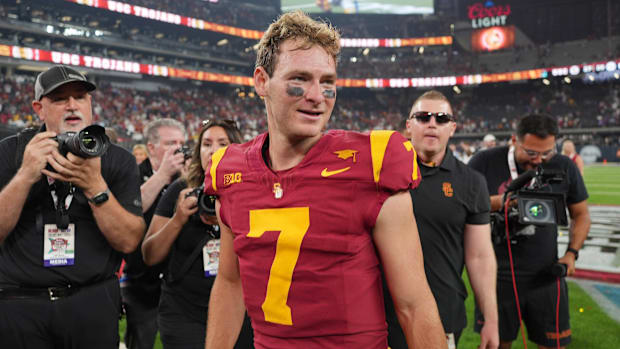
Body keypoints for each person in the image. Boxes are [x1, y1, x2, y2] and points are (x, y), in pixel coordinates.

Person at [204, 11, 446, 349]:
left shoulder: (374, 162)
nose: (317, 95)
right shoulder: (229, 171)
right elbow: (230, 282)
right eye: (300, 79)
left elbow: (414, 304)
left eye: (327, 81)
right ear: (261, 81)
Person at [0, 65, 145, 348]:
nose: (71, 105)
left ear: (90, 104)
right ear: (39, 109)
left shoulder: (118, 160)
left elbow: (129, 241)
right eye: (58, 99)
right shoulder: (10, 152)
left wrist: (95, 187)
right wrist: (26, 175)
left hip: (91, 303)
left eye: (80, 97)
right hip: (21, 304)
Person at [385, 90, 499, 349]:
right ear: (409, 126)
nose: (432, 123)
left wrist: (490, 319)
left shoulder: (471, 182)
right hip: (380, 313)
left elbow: (479, 255)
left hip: (441, 313)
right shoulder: (381, 173)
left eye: (442, 118)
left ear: (453, 128)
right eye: (423, 117)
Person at [468, 113, 591, 349]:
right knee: (496, 344)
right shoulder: (484, 162)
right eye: (531, 153)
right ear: (515, 140)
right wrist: (507, 201)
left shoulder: (564, 166)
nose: (539, 160)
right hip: (497, 274)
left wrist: (572, 253)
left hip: (546, 274)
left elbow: (582, 214)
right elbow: (463, 205)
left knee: (554, 344)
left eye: (547, 153)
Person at [141, 119, 254, 348]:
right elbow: (149, 255)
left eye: (223, 143)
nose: (213, 150)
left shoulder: (252, 190)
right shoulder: (180, 190)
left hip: (238, 310)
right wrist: (178, 218)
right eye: (206, 144)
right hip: (184, 312)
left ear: (237, 148)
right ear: (198, 151)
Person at [122, 118, 187, 349]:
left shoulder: (187, 178)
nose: (178, 148)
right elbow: (127, 210)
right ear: (151, 147)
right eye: (171, 143)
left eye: (181, 142)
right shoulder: (131, 173)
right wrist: (162, 175)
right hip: (142, 285)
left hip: (180, 285)